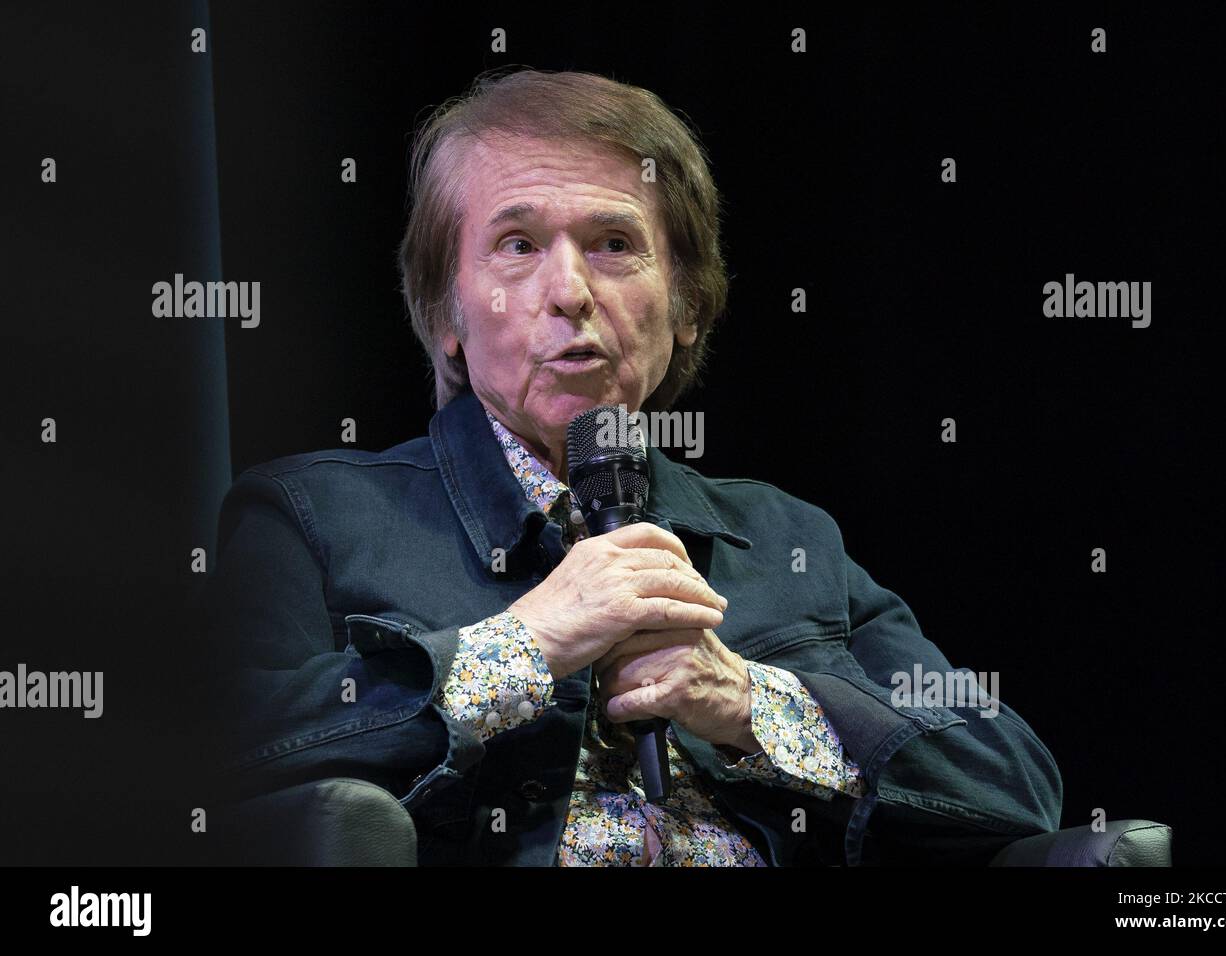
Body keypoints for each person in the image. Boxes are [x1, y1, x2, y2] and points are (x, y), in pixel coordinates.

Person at [203, 67, 1062, 866]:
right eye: (516, 244)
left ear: (687, 304)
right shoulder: (312, 515)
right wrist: (524, 647)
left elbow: (1014, 786)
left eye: (615, 243)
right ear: (446, 313)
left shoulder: (786, 536)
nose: (571, 291)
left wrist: (753, 705)